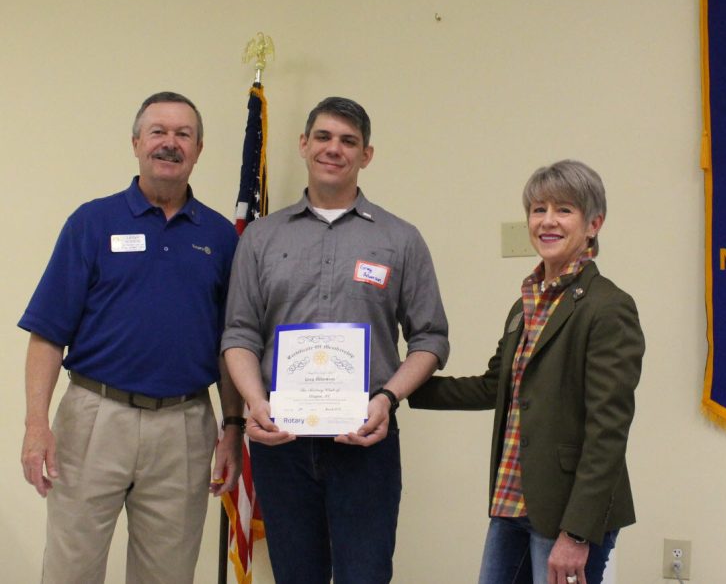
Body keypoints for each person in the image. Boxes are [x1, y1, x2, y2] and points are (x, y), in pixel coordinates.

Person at [18, 91, 244, 583]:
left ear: (199, 149)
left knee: (168, 574)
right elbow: (47, 334)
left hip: (184, 426)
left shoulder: (222, 238)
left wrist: (232, 427)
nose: (170, 143)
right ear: (136, 142)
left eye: (183, 134)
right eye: (158, 132)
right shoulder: (91, 223)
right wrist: (37, 425)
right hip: (95, 419)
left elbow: (232, 345)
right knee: (70, 568)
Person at [221, 96, 450, 583]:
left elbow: (430, 339)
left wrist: (387, 399)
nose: (334, 149)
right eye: (323, 137)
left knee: (364, 575)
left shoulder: (400, 239)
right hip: (280, 442)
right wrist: (255, 403)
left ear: (366, 155)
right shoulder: (260, 239)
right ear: (304, 145)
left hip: (365, 443)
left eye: (348, 141)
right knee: (295, 575)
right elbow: (239, 333)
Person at [410, 160, 645, 584]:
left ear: (594, 223)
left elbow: (608, 429)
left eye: (564, 210)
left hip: (566, 514)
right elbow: (491, 388)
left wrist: (575, 532)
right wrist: (400, 386)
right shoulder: (524, 307)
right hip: (511, 504)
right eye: (539, 209)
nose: (548, 221)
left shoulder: (608, 307)